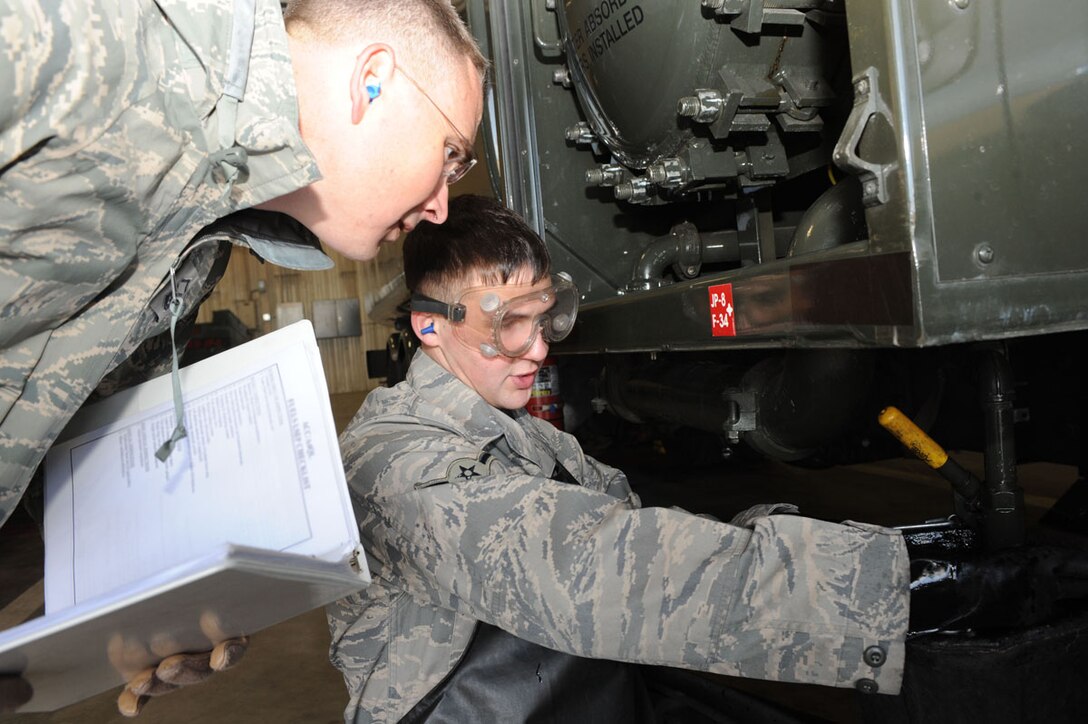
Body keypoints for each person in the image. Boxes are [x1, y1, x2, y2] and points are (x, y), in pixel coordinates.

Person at [0, 0, 485, 715]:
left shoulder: (206, 240)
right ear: (373, 79)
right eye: (451, 154)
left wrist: (146, 597)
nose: (442, 205)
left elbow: (76, 447)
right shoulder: (95, 36)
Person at [326, 194, 912, 722]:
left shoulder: (530, 436)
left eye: (543, 318)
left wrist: (783, 540)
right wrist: (864, 586)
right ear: (430, 324)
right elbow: (587, 572)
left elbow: (632, 527)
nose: (539, 348)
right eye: (509, 325)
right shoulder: (391, 460)